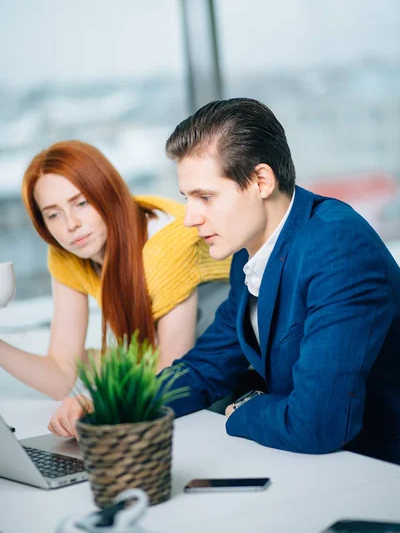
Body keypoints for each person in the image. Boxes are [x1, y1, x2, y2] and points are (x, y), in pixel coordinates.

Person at [47, 100, 400, 466]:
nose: (189, 218)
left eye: (205, 197)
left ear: (261, 181)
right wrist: (112, 404)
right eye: (187, 198)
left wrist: (246, 409)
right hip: (311, 464)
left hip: (373, 470)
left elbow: (318, 423)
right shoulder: (247, 253)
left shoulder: (337, 247)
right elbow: (205, 367)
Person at [0, 140, 231, 400]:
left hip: (237, 365)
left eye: (82, 203)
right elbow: (61, 377)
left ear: (107, 193)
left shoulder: (165, 246)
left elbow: (171, 380)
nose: (71, 224)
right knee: (89, 363)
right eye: (53, 215)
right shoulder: (67, 253)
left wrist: (94, 404)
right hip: (175, 360)